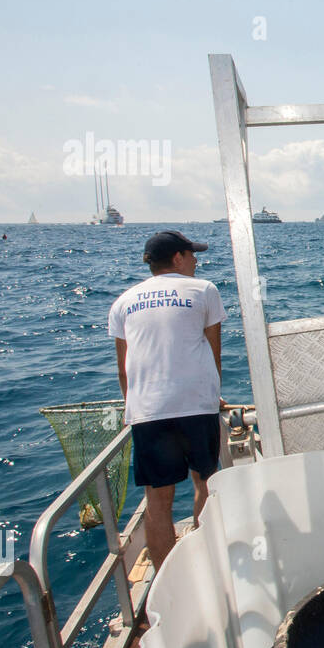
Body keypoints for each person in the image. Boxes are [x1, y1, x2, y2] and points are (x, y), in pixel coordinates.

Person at [108, 230, 226, 569]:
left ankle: (165, 581)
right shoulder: (204, 290)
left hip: (147, 411)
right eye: (191, 254)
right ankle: (206, 567)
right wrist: (212, 396)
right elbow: (213, 354)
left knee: (157, 501)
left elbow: (123, 370)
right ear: (177, 258)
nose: (196, 260)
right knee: (205, 484)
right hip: (195, 405)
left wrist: (135, 408)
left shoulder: (124, 302)